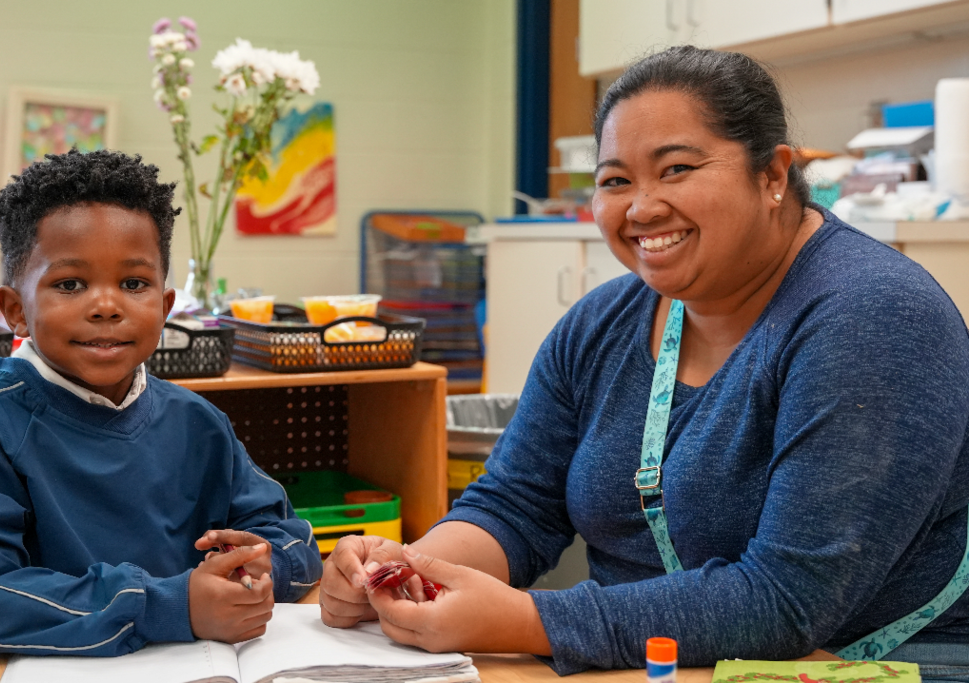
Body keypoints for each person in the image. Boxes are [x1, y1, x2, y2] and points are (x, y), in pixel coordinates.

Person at [320, 46, 969, 680]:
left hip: (868, 660)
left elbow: (788, 599)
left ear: (772, 175)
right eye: (614, 180)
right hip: (649, 659)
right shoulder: (601, 323)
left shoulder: (870, 315)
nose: (641, 206)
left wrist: (528, 620)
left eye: (678, 168)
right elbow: (517, 504)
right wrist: (401, 570)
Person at [0, 149, 322, 681]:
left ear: (165, 308)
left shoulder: (199, 421)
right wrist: (167, 605)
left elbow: (294, 538)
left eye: (134, 284)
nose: (106, 305)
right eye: (70, 284)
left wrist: (265, 565)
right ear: (14, 309)